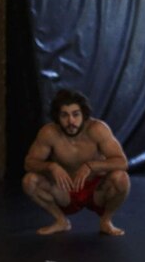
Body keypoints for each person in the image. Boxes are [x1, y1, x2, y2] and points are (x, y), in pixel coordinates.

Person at [22, 89, 130, 236]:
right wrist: (51, 166)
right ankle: (61, 221)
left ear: (84, 115)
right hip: (65, 190)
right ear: (57, 117)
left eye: (76, 114)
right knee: (29, 181)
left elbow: (122, 163)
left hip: (96, 190)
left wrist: (91, 165)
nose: (71, 121)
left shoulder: (97, 129)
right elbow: (29, 163)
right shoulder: (49, 133)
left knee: (121, 179)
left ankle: (106, 221)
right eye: (64, 115)